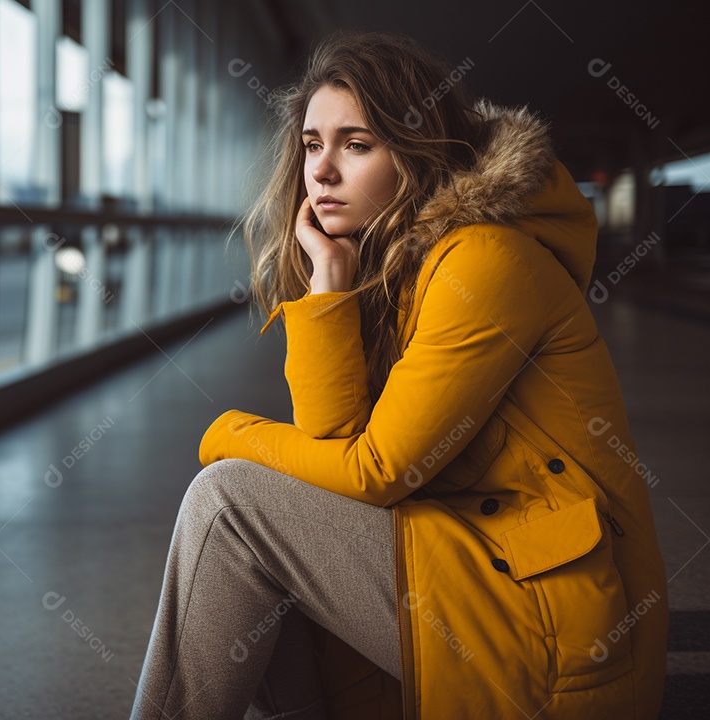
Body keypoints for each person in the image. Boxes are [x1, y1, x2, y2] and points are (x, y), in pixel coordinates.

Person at [129, 31, 668, 720]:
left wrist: (227, 434)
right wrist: (328, 286)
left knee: (230, 504)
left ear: (416, 156)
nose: (321, 172)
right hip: (483, 565)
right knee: (256, 526)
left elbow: (375, 470)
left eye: (356, 145)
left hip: (562, 626)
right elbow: (336, 442)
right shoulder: (392, 270)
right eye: (312, 144)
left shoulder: (486, 262)